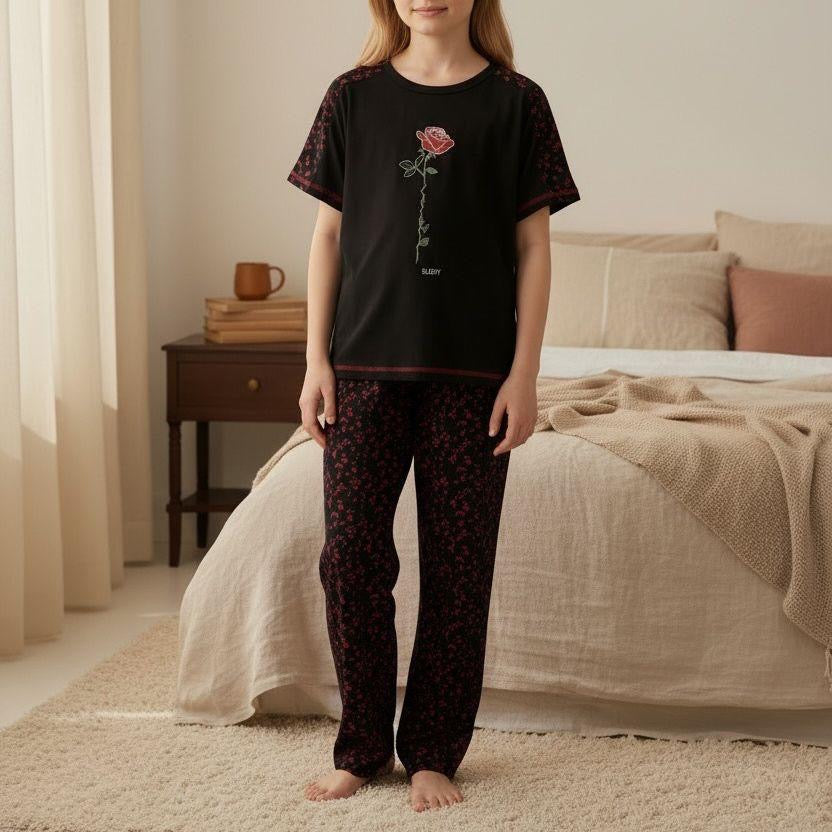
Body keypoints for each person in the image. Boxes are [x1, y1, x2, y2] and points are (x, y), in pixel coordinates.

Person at [287, 0, 580, 813]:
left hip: (474, 377)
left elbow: (534, 246)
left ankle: (432, 753)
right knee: (349, 557)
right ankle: (361, 747)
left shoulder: (517, 103)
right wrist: (315, 361)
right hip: (362, 371)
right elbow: (327, 236)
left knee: (458, 569)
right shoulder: (353, 96)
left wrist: (524, 375)